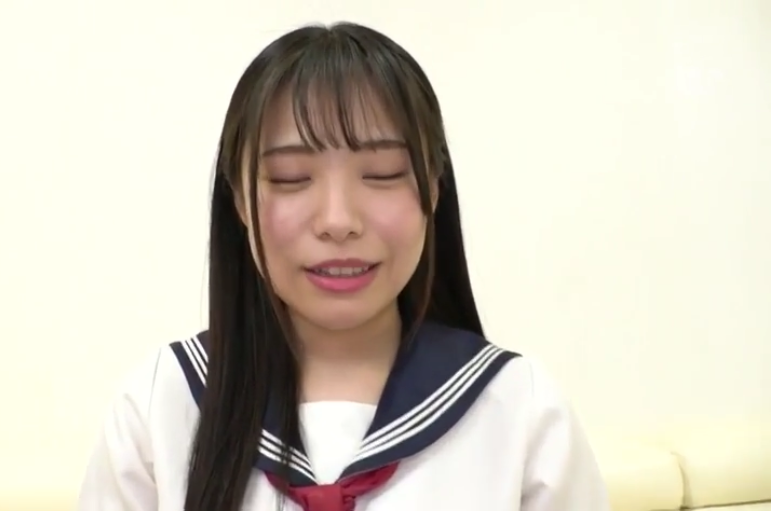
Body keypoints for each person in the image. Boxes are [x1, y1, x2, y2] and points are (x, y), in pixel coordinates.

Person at [77, 21, 610, 511]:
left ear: (433, 189)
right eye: (291, 177)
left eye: (382, 173)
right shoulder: (160, 407)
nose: (338, 221)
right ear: (239, 199)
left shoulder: (521, 412)